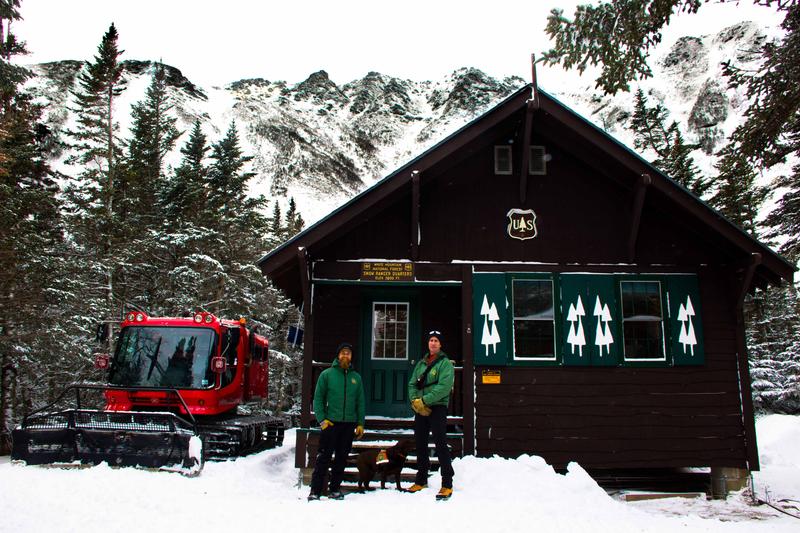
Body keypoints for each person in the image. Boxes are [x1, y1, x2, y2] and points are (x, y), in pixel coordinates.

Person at [308, 342, 365, 501]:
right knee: (323, 458)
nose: (345, 356)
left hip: (349, 424)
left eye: (348, 353)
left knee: (341, 458)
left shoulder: (356, 378)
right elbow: (318, 398)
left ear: (351, 357)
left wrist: (360, 423)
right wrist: (322, 420)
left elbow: (360, 402)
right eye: (343, 353)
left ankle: (334, 489)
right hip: (331, 423)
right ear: (338, 355)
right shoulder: (327, 375)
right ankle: (315, 491)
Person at [407, 330, 455, 500]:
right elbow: (412, 383)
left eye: (436, 340)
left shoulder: (445, 364)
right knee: (420, 442)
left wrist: (425, 400)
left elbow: (443, 387)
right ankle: (421, 480)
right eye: (431, 340)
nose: (433, 343)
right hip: (421, 409)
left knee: (440, 443)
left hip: (437, 408)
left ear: (440, 344)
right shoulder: (421, 364)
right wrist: (415, 401)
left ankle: (447, 483)